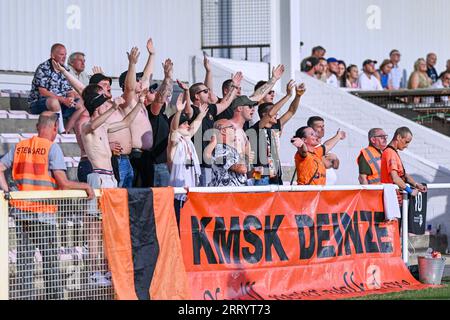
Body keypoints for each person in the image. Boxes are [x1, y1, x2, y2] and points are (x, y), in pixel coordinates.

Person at [0, 111, 94, 299]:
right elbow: (63, 183)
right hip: (44, 213)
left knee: (25, 261)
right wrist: (85, 185)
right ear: (54, 128)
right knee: (50, 261)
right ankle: (54, 296)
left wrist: (8, 192)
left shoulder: (20, 146)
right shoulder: (52, 148)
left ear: (37, 127)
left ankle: (26, 296)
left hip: (20, 211)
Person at [81, 84, 146, 286]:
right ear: (96, 105)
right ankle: (94, 271)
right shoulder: (86, 125)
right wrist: (111, 108)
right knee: (93, 229)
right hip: (97, 177)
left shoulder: (103, 126)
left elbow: (126, 121)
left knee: (108, 228)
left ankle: (106, 268)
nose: (107, 104)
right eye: (102, 102)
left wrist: (139, 103)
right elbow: (92, 125)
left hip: (110, 178)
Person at [185, 72, 243, 187]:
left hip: (210, 161)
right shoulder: (192, 109)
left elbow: (226, 103)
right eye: (205, 91)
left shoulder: (210, 109)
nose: (209, 93)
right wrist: (186, 92)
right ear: (196, 96)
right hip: (197, 161)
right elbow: (187, 111)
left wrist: (234, 86)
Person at [250, 82, 306, 185]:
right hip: (260, 175)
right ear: (264, 115)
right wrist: (288, 95)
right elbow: (271, 112)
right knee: (260, 199)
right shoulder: (257, 127)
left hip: (275, 173)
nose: (277, 114)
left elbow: (291, 111)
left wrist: (297, 96)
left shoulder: (275, 126)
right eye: (275, 113)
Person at [120, 41, 156, 187]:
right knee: (135, 195)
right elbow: (129, 88)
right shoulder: (127, 101)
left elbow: (146, 78)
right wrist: (132, 64)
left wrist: (152, 55)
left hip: (146, 155)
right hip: (134, 155)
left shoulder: (140, 101)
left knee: (148, 194)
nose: (141, 82)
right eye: (137, 80)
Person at [167, 94, 206, 227]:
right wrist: (178, 112)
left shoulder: (187, 140)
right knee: (179, 225)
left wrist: (200, 115)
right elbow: (174, 131)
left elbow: (193, 128)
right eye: (184, 123)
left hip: (190, 192)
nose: (188, 125)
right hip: (178, 194)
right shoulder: (175, 142)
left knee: (191, 227)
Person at [28, 43, 78, 133]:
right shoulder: (43, 68)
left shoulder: (65, 70)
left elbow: (69, 90)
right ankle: (61, 130)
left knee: (82, 101)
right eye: (61, 54)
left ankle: (67, 129)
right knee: (53, 101)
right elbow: (42, 91)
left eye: (65, 55)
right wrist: (63, 100)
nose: (64, 57)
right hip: (40, 103)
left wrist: (70, 98)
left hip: (61, 104)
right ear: (52, 55)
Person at [143, 59, 174, 187]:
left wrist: (169, 78)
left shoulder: (162, 112)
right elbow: (160, 97)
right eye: (151, 91)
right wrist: (167, 77)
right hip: (155, 166)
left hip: (163, 165)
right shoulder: (150, 111)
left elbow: (165, 94)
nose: (155, 93)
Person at [381, 127, 427, 211]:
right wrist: (410, 191)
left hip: (395, 199)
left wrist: (416, 184)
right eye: (406, 142)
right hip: (392, 200)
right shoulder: (390, 153)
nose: (406, 146)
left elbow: (403, 174)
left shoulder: (392, 152)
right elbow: (395, 178)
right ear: (398, 137)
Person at [209, 119, 248, 187]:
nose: (235, 129)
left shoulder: (230, 149)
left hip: (235, 194)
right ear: (223, 131)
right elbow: (241, 169)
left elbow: (243, 171)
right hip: (226, 195)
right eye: (232, 127)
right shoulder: (220, 149)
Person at [307, 116, 341, 185]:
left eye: (323, 126)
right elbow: (327, 164)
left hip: (326, 189)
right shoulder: (309, 146)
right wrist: (338, 136)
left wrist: (335, 158)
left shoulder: (322, 145)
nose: (322, 129)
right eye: (319, 127)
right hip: (315, 189)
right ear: (310, 129)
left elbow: (336, 166)